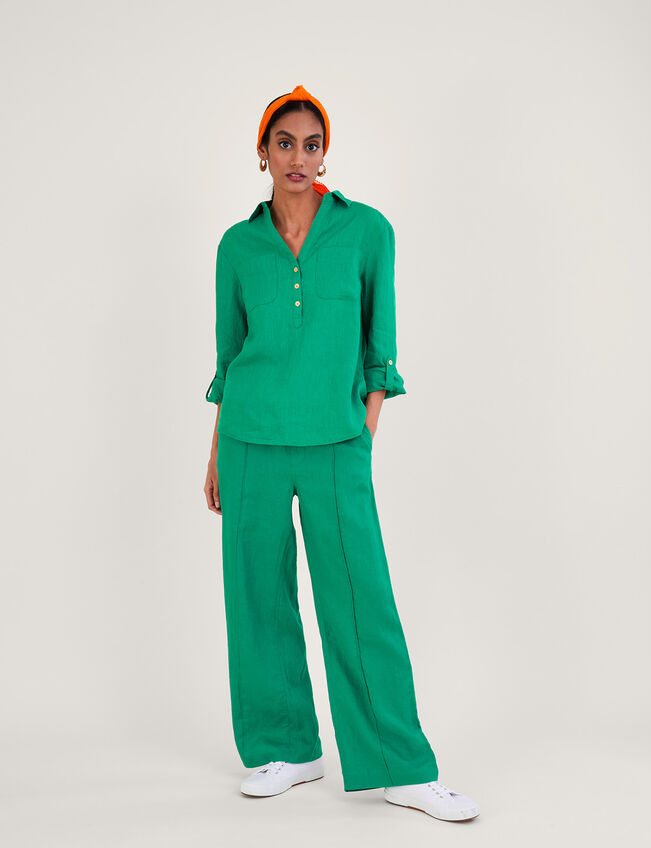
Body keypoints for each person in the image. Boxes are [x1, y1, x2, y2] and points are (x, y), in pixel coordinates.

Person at [203, 84, 480, 823]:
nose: (299, 156)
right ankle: (286, 748)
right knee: (257, 598)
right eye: (284, 143)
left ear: (325, 153)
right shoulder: (237, 246)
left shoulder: (366, 231)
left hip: (335, 442)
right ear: (262, 152)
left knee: (360, 600)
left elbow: (378, 348)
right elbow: (230, 357)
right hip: (250, 442)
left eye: (312, 143)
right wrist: (215, 454)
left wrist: (363, 435)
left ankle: (398, 764)